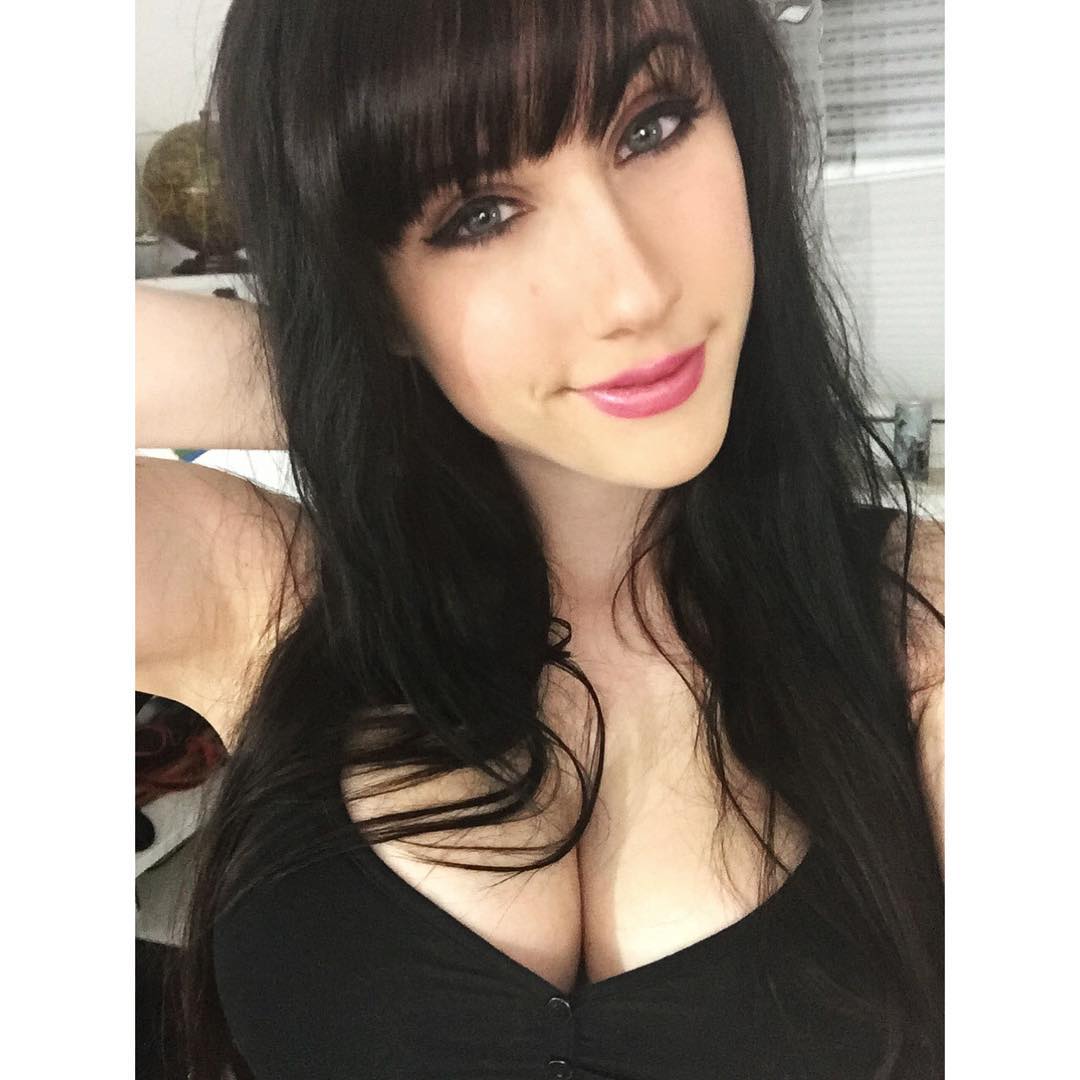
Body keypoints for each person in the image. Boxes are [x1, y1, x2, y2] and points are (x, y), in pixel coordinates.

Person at [135, 1, 944, 1077]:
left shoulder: (927, 623)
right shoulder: (261, 593)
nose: (634, 289)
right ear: (367, 285)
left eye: (653, 126)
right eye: (477, 213)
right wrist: (347, 374)